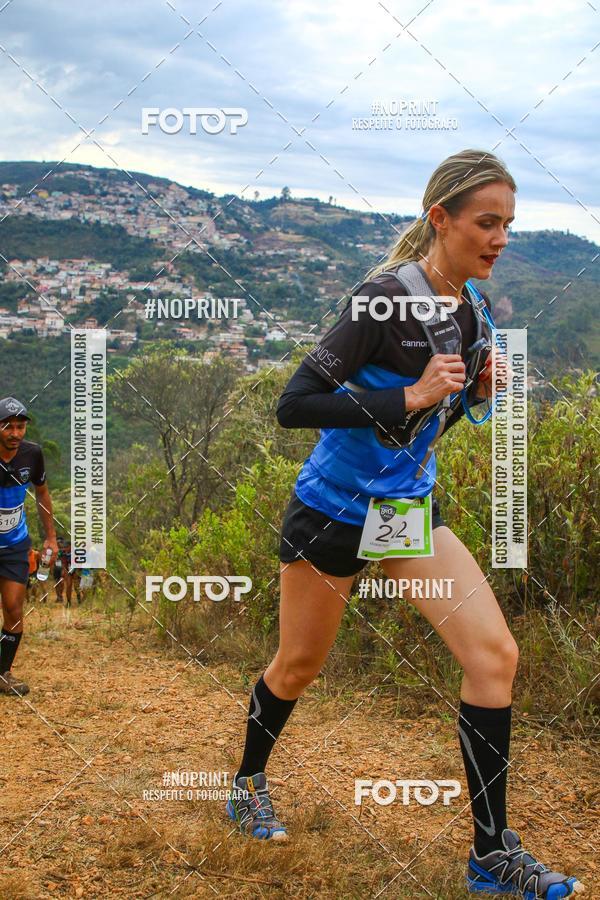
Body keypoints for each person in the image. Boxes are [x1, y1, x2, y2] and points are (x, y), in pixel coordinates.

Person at [225, 151, 585, 898]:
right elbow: (294, 403)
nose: (500, 240)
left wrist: (474, 392)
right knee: (297, 666)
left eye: (509, 226)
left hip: (402, 513)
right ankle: (248, 781)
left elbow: (437, 412)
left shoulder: (472, 309)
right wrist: (409, 397)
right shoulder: (379, 303)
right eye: (487, 223)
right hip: (333, 511)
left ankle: (490, 855)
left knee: (494, 657)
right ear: (440, 220)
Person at [0, 398, 58, 696]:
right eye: (8, 427)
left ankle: (3, 672)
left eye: (20, 427)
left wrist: (50, 537)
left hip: (13, 545)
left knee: (13, 608)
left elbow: (42, 495)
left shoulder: (32, 454)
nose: (15, 433)